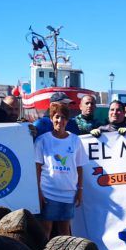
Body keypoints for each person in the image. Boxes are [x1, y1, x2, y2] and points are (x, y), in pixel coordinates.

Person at [34, 101, 86, 239]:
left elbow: (80, 168)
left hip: (68, 193)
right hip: (48, 193)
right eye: (56, 116)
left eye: (63, 117)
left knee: (65, 232)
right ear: (51, 119)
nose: (60, 120)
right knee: (45, 230)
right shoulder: (42, 140)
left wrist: (79, 190)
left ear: (67, 120)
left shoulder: (75, 140)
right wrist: (38, 192)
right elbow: (37, 168)